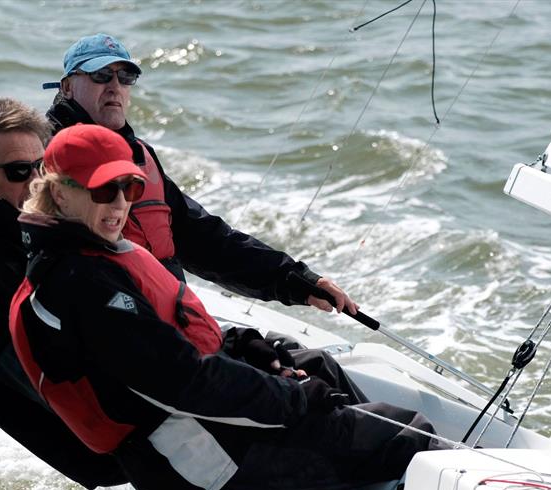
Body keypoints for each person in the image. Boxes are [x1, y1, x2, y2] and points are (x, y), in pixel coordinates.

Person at [10, 123, 442, 490]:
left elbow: (176, 334)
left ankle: (360, 477)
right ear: (61, 194)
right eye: (104, 189)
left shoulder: (93, 258)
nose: (120, 202)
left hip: (209, 427)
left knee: (318, 365)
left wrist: (246, 346)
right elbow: (185, 380)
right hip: (197, 457)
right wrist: (296, 399)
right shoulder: (80, 284)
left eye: (129, 186)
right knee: (407, 433)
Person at [43, 33, 359, 320]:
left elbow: (205, 240)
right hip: (118, 332)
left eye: (126, 76)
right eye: (100, 75)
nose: (114, 86)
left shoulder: (141, 156)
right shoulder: (45, 160)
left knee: (313, 369)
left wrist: (296, 281)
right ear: (67, 86)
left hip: (170, 321)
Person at [0, 96, 126, 489]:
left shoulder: (33, 229)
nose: (38, 182)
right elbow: (78, 392)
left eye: (44, 168)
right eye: (20, 171)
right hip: (115, 458)